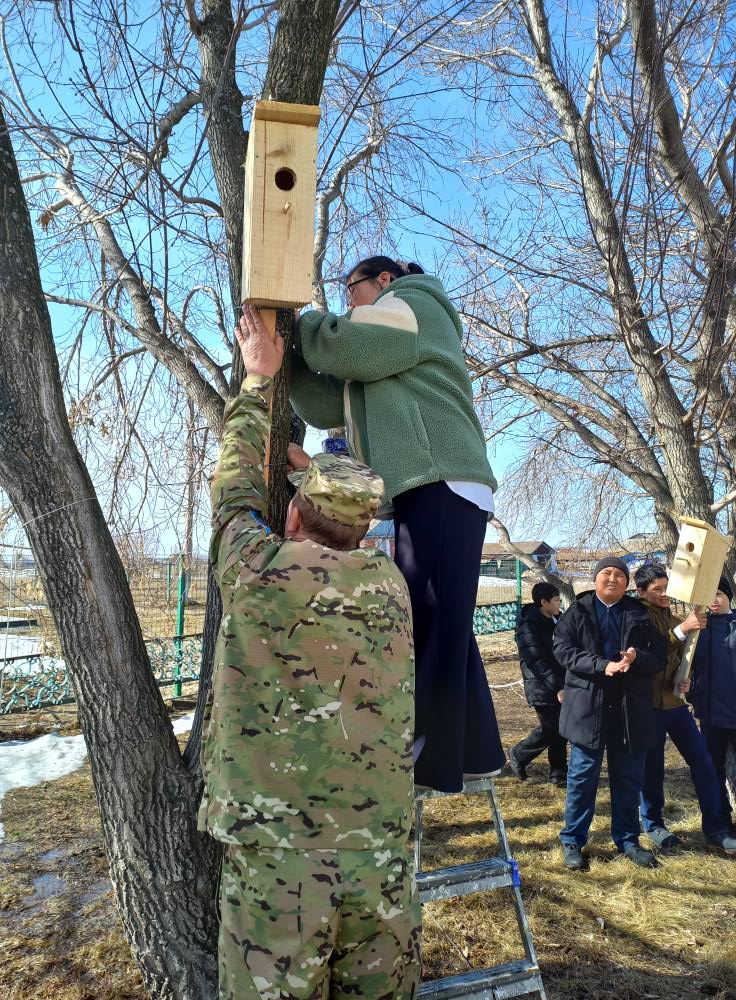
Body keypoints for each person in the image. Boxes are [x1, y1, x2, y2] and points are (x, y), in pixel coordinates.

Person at [198, 306, 421, 1000]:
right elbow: (337, 511)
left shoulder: (259, 570)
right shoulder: (389, 586)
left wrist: (259, 382)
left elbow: (235, 490)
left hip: (279, 857)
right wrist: (319, 475)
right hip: (379, 852)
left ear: (291, 514)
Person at [289, 255, 505, 793]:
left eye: (351, 290)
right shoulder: (382, 345)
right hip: (430, 484)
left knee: (425, 616)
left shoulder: (413, 303)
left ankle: (428, 760)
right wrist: (289, 360)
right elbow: (325, 405)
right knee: (443, 619)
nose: (348, 304)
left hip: (440, 475)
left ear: (383, 279)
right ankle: (476, 752)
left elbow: (343, 345)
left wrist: (298, 324)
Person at [553, 557, 667, 871]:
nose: (613, 578)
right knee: (582, 778)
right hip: (588, 708)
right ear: (596, 579)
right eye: (607, 573)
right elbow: (563, 651)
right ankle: (573, 840)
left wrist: (636, 657)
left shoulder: (639, 614)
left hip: (630, 710)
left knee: (628, 779)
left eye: (620, 574)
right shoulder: (578, 612)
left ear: (627, 583)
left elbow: (658, 657)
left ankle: (628, 840)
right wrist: (602, 666)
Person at [634, 564, 736, 854]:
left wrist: (685, 679)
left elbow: (683, 660)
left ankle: (715, 830)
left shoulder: (676, 617)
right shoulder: (636, 617)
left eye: (667, 587)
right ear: (641, 592)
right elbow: (649, 653)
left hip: (676, 705)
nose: (665, 593)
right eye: (657, 589)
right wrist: (681, 631)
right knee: (653, 768)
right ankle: (653, 824)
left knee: (704, 764)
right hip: (649, 706)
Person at [689, 577, 736, 839]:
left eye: (718, 593)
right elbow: (686, 665)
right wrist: (692, 692)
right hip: (710, 714)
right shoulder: (699, 628)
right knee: (712, 772)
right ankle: (719, 825)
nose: (713, 600)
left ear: (728, 595)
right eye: (709, 594)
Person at [508, 582, 567, 787]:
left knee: (561, 728)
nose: (559, 603)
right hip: (541, 685)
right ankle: (519, 753)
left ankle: (558, 774)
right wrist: (556, 686)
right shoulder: (529, 626)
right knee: (551, 729)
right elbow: (536, 660)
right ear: (544, 602)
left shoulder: (557, 619)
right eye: (556, 600)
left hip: (560, 682)